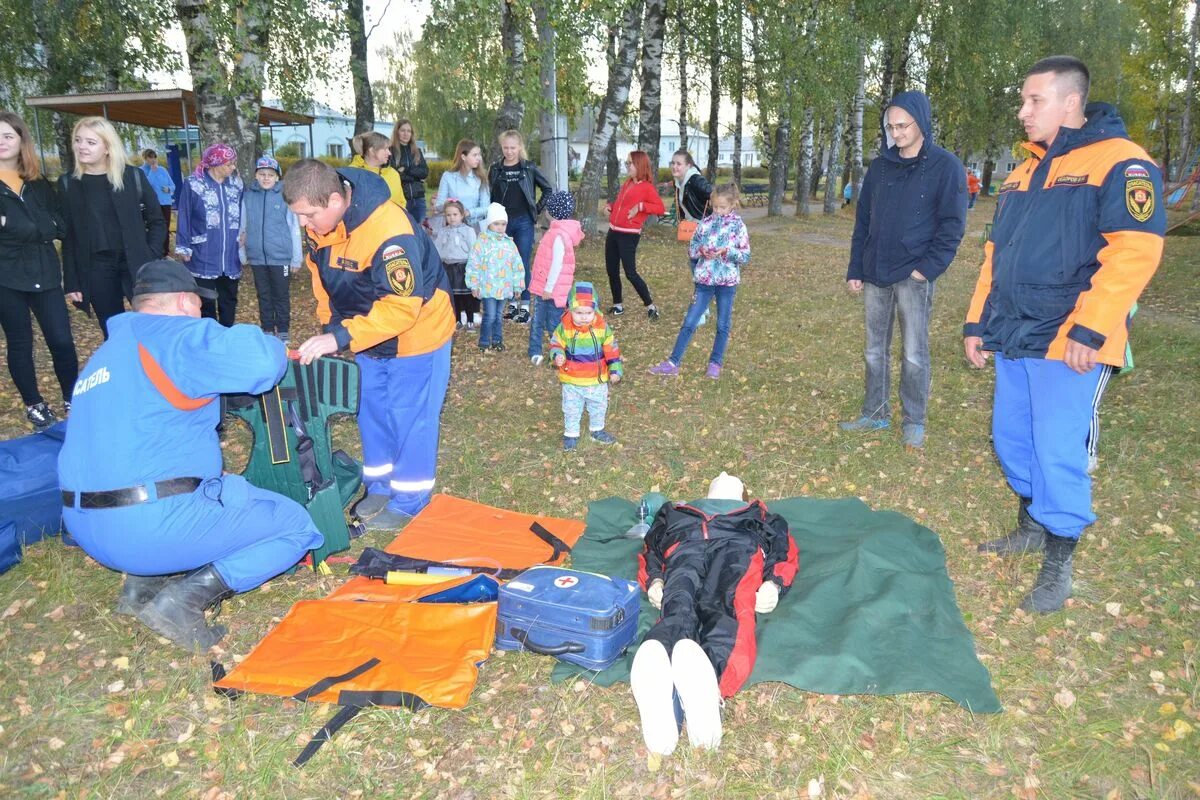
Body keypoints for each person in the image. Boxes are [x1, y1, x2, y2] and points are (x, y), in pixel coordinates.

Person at [966, 56, 1165, 613]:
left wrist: (1092, 327)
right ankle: (1032, 523)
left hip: (1070, 339)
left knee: (1057, 448)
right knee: (1012, 439)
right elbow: (994, 255)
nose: (1023, 111)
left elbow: (1134, 251)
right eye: (1024, 100)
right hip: (1013, 333)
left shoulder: (1122, 164)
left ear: (1070, 103)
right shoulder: (1023, 171)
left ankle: (1060, 555)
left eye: (1034, 100)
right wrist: (978, 323)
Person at [57, 258, 324, 650]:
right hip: (146, 528)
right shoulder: (177, 336)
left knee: (184, 480)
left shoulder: (104, 357)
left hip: (85, 527)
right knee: (296, 526)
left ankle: (142, 585)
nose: (202, 311)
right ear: (184, 302)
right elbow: (262, 362)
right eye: (199, 305)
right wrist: (269, 342)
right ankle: (184, 601)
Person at [284, 159, 454, 528]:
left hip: (417, 331)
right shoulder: (322, 225)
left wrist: (340, 337)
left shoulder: (389, 231)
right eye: (298, 216)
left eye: (308, 215)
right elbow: (323, 282)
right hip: (365, 331)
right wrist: (332, 325)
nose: (303, 224)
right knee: (370, 407)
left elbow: (401, 309)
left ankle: (410, 499)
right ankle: (379, 481)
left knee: (410, 415)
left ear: (334, 200)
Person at [630, 472, 798, 755]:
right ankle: (664, 677)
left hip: (738, 549)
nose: (723, 473)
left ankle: (710, 688)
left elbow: (783, 551)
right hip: (684, 549)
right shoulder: (674, 511)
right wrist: (656, 579)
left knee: (726, 607)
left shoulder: (761, 515)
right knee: (678, 604)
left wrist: (774, 583)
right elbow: (652, 548)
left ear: (744, 493)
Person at [842, 90, 967, 450]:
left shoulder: (946, 167)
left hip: (914, 277)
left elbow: (951, 227)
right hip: (874, 274)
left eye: (902, 126)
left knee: (914, 352)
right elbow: (863, 220)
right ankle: (875, 412)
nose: (895, 134)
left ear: (921, 122)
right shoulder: (880, 167)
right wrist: (856, 267)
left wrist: (925, 271)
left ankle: (914, 420)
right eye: (890, 127)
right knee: (873, 349)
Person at [0, 110, 78, 430]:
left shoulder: (38, 183)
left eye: (7, 136)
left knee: (61, 340)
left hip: (44, 272)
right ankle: (34, 404)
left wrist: (18, 226)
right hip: (6, 277)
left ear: (21, 141)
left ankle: (74, 396)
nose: (1, 142)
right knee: (20, 344)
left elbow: (60, 226)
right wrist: (33, 227)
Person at [59, 116, 165, 338]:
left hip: (136, 262)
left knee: (151, 326)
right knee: (112, 330)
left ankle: (152, 370)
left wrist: (151, 254)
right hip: (97, 268)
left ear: (107, 147)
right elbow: (69, 236)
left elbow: (156, 219)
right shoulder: (68, 183)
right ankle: (123, 369)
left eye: (90, 142)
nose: (81, 147)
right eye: (78, 140)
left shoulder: (132, 176)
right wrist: (72, 280)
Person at [648, 184, 750, 381]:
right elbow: (692, 247)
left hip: (726, 283)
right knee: (690, 321)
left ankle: (715, 362)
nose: (718, 211)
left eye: (722, 207)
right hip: (704, 281)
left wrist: (727, 252)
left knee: (722, 323)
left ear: (732, 205)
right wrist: (701, 251)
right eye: (715, 207)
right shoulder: (705, 223)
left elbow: (745, 255)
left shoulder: (738, 226)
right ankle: (673, 363)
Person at [175, 143, 244, 327]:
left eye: (233, 163)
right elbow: (185, 214)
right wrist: (183, 245)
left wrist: (244, 233)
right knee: (205, 301)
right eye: (229, 164)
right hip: (203, 252)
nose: (233, 167)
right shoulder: (194, 184)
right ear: (215, 163)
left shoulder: (236, 184)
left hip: (230, 252)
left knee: (229, 299)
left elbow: (243, 212)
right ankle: (208, 335)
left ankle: (226, 334)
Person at [488, 130, 553, 323]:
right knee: (505, 262)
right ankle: (511, 305)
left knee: (522, 262)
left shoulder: (529, 168)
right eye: (506, 148)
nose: (509, 152)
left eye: (513, 147)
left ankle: (524, 304)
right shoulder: (495, 169)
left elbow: (547, 189)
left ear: (520, 147)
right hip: (502, 223)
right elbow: (491, 195)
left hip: (524, 221)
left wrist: (536, 210)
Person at [550, 282, 623, 451]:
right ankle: (571, 433)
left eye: (588, 313)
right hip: (572, 380)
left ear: (595, 310)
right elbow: (555, 344)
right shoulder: (564, 327)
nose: (584, 317)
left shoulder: (602, 328)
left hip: (596, 380)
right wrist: (557, 355)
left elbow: (612, 350)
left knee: (598, 405)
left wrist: (615, 370)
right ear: (570, 310)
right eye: (578, 312)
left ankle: (597, 430)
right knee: (571, 408)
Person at [240, 156, 301, 346]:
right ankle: (267, 329)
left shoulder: (285, 196)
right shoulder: (249, 195)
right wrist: (242, 253)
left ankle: (282, 330)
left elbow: (294, 227)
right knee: (263, 294)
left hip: (281, 257)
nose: (266, 178)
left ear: (277, 177)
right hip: (257, 256)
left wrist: (296, 258)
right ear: (256, 175)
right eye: (262, 174)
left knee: (280, 295)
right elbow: (243, 224)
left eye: (270, 175)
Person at [604, 150, 665, 320]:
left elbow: (660, 208)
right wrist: (611, 206)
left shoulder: (647, 187)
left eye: (629, 163)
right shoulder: (628, 183)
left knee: (630, 272)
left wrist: (641, 207)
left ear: (639, 165)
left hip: (629, 235)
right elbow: (621, 203)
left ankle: (651, 306)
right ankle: (618, 305)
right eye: (626, 162)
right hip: (613, 231)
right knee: (612, 270)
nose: (627, 166)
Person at [527, 191, 584, 365]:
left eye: (547, 209)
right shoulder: (557, 232)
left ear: (552, 212)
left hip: (550, 289)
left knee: (549, 322)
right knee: (543, 320)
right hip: (548, 286)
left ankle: (557, 352)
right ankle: (536, 350)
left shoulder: (558, 235)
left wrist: (549, 288)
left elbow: (557, 264)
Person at [465, 203, 524, 351]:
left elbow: (517, 265)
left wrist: (518, 285)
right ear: (489, 223)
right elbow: (473, 264)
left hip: (504, 287)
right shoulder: (481, 242)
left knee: (498, 316)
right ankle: (484, 342)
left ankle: (497, 341)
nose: (500, 227)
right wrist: (474, 284)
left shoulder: (509, 244)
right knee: (490, 315)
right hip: (488, 286)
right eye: (496, 223)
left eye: (503, 224)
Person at [432, 199, 478, 330]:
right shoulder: (442, 232)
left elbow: (474, 249)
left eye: (455, 214)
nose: (451, 218)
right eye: (448, 215)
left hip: (464, 267)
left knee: (467, 296)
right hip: (448, 267)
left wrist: (474, 267)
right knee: (454, 296)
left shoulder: (468, 231)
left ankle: (470, 320)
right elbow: (438, 249)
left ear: (462, 215)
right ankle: (457, 319)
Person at [434, 138, 490, 230]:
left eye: (479, 155)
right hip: (453, 227)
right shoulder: (448, 177)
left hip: (475, 227)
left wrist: (468, 212)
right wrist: (451, 206)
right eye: (475, 155)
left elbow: (486, 208)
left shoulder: (481, 178)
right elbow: (439, 205)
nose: (479, 158)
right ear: (463, 157)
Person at [350, 132, 407, 209]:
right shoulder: (353, 173)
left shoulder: (393, 174)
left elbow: (401, 202)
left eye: (388, 149)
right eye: (385, 149)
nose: (389, 153)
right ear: (372, 150)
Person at [389, 118, 429, 222]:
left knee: (420, 231)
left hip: (418, 198)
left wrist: (406, 169)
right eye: (402, 130)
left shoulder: (417, 151)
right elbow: (395, 175)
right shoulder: (391, 152)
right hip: (401, 199)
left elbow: (424, 172)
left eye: (408, 131)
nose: (406, 134)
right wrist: (416, 176)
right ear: (397, 132)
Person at [140, 149, 176, 255]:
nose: (153, 160)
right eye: (150, 157)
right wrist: (152, 171)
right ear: (145, 158)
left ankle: (166, 251)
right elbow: (146, 186)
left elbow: (173, 185)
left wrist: (169, 189)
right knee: (154, 228)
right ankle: (154, 250)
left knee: (166, 227)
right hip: (152, 204)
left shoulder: (163, 170)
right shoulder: (141, 171)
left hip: (166, 202)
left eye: (154, 157)